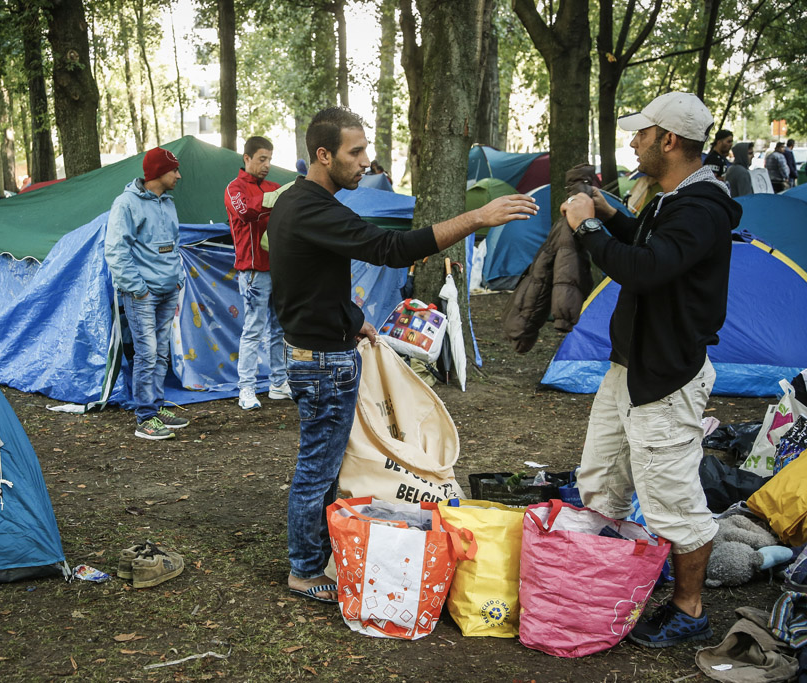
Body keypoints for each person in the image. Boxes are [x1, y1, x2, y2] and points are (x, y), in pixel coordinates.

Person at [269, 106, 538, 603]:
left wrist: (352, 319)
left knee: (327, 466)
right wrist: (477, 217)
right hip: (324, 363)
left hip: (320, 350)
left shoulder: (295, 201)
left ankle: (322, 553)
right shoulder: (313, 207)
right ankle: (305, 571)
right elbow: (390, 248)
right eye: (356, 152)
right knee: (316, 469)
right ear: (323, 154)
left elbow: (302, 283)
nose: (365, 161)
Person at [559, 91, 742, 648]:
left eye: (642, 134)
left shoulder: (702, 206)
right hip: (629, 368)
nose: (634, 142)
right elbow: (649, 243)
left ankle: (689, 610)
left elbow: (649, 269)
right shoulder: (671, 199)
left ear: (669, 140)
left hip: (666, 376)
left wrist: (590, 230)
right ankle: (607, 581)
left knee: (673, 503)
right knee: (600, 479)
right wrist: (613, 216)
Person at [105, 147, 190, 441]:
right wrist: (137, 289)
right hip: (143, 294)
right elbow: (116, 251)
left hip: (168, 291)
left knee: (161, 351)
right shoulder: (126, 204)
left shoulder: (167, 202)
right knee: (147, 353)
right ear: (157, 173)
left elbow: (174, 243)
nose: (178, 175)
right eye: (174, 170)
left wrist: (177, 278)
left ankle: (156, 406)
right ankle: (145, 418)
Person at [225, 136, 289, 410]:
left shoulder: (274, 186)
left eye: (270, 159)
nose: (267, 165)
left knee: (279, 329)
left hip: (280, 268)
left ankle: (278, 384)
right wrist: (276, 199)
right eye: (261, 159)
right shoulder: (234, 189)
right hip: (253, 272)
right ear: (247, 158)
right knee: (253, 330)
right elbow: (248, 212)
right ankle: (246, 389)